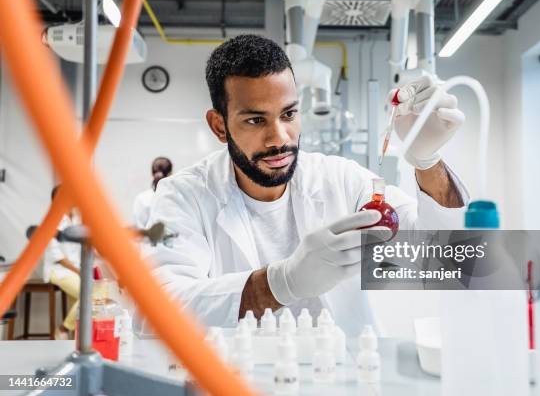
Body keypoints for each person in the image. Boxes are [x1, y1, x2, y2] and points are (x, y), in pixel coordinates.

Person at [145, 35, 467, 336]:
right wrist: (282, 283)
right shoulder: (184, 196)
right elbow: (154, 311)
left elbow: (448, 258)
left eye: (288, 114)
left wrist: (428, 162)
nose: (279, 138)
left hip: (348, 374)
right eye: (256, 120)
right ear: (219, 125)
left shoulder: (341, 180)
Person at [43, 185, 81, 340]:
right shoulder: (52, 221)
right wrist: (79, 271)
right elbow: (57, 256)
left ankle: (76, 340)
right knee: (89, 294)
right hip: (57, 270)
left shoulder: (76, 219)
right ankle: (63, 329)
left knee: (81, 302)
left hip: (74, 270)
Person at [132, 157, 173, 230]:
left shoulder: (141, 199)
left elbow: (138, 227)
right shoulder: (178, 197)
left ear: (152, 174)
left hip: (149, 240)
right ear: (171, 174)